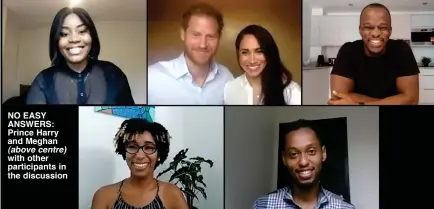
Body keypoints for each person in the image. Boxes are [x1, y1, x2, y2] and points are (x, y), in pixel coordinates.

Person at [27, 7, 135, 105]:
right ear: (56, 40)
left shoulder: (113, 74)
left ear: (92, 35)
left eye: (82, 31)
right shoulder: (43, 81)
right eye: (64, 34)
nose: (74, 39)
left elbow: (131, 118)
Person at [329, 3, 419, 105]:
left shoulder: (402, 49)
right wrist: (395, 101)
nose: (375, 33)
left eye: (383, 28)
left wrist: (358, 104)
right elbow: (338, 98)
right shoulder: (348, 51)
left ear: (390, 30)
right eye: (368, 27)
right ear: (360, 30)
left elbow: (411, 101)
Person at [253, 120, 355, 209]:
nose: (303, 162)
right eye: (293, 154)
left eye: (311, 151)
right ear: (284, 159)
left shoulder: (344, 207)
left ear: (323, 154)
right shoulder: (263, 205)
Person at [147, 3, 233, 105]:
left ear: (219, 38)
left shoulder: (227, 78)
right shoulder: (152, 78)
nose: (203, 44)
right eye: (196, 35)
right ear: (183, 34)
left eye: (210, 36)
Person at [91, 118, 188, 209]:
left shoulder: (172, 194)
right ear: (124, 151)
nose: (139, 155)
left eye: (149, 148)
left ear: (159, 154)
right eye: (132, 146)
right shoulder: (104, 196)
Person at [224, 25, 301, 105]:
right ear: (238, 54)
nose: (252, 60)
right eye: (245, 52)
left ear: (269, 53)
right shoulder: (230, 88)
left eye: (259, 51)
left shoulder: (291, 90)